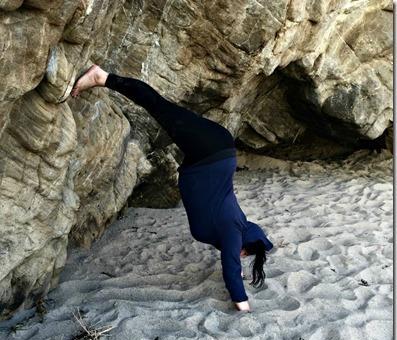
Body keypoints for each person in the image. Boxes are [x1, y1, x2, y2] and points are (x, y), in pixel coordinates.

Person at [71, 65, 274, 312]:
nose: (241, 255)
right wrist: (243, 304)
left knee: (162, 108)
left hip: (215, 154)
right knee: (158, 106)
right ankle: (102, 77)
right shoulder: (232, 232)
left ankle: (103, 78)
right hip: (210, 152)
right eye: (245, 252)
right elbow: (230, 264)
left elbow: (233, 254)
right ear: (243, 242)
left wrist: (241, 259)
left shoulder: (235, 224)